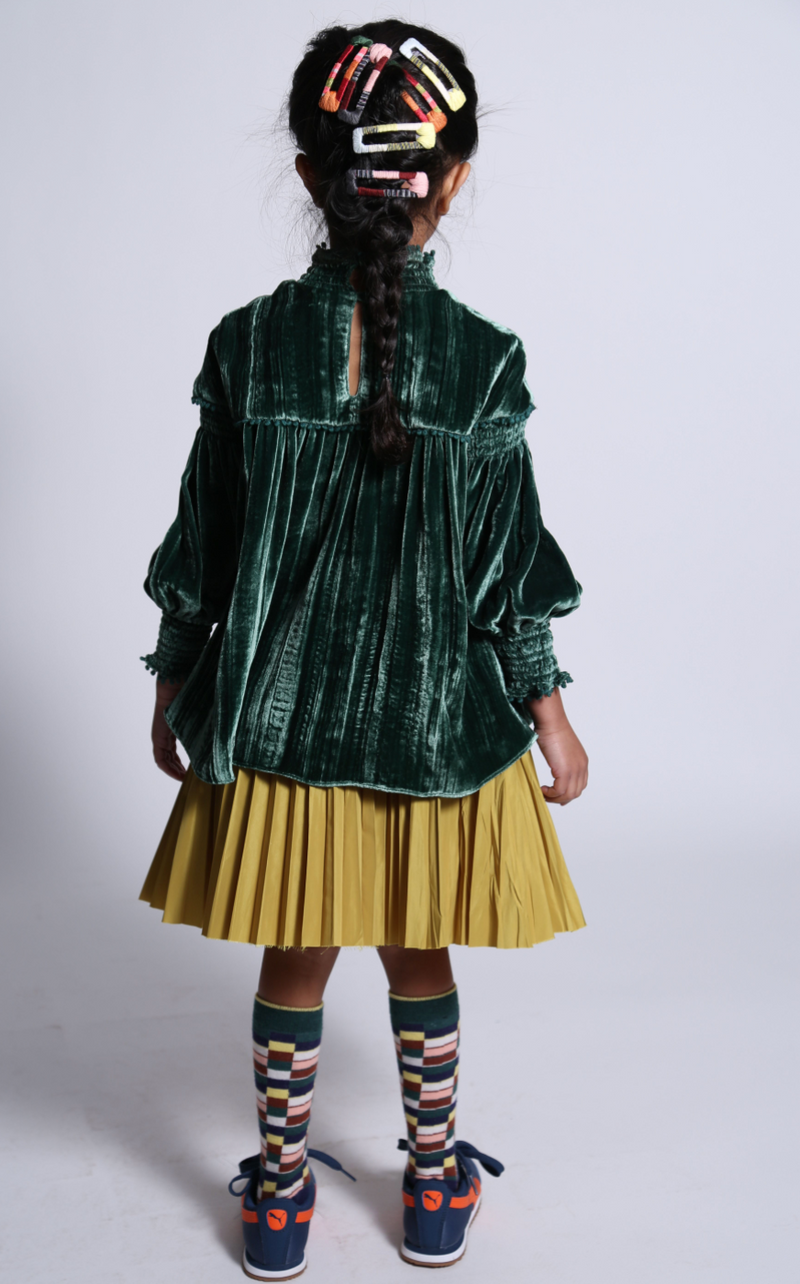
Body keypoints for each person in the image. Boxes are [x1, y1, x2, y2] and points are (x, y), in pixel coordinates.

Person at [139, 19, 589, 1280]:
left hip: (280, 730)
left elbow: (202, 542)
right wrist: (547, 712)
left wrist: (175, 676)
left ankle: (280, 1198)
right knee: (416, 949)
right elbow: (508, 572)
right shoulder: (483, 360)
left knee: (296, 952)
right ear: (453, 177)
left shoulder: (246, 345)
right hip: (431, 738)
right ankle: (434, 1187)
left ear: (310, 174)